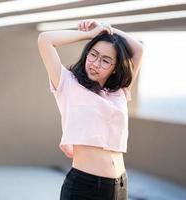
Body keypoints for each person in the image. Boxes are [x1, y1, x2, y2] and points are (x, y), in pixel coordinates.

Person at [38, 19, 143, 200]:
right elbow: (45, 39)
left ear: (116, 67)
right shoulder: (67, 83)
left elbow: (139, 49)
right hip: (85, 186)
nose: (95, 63)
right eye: (93, 54)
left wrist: (107, 28)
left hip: (120, 185)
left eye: (105, 60)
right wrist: (91, 34)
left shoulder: (119, 92)